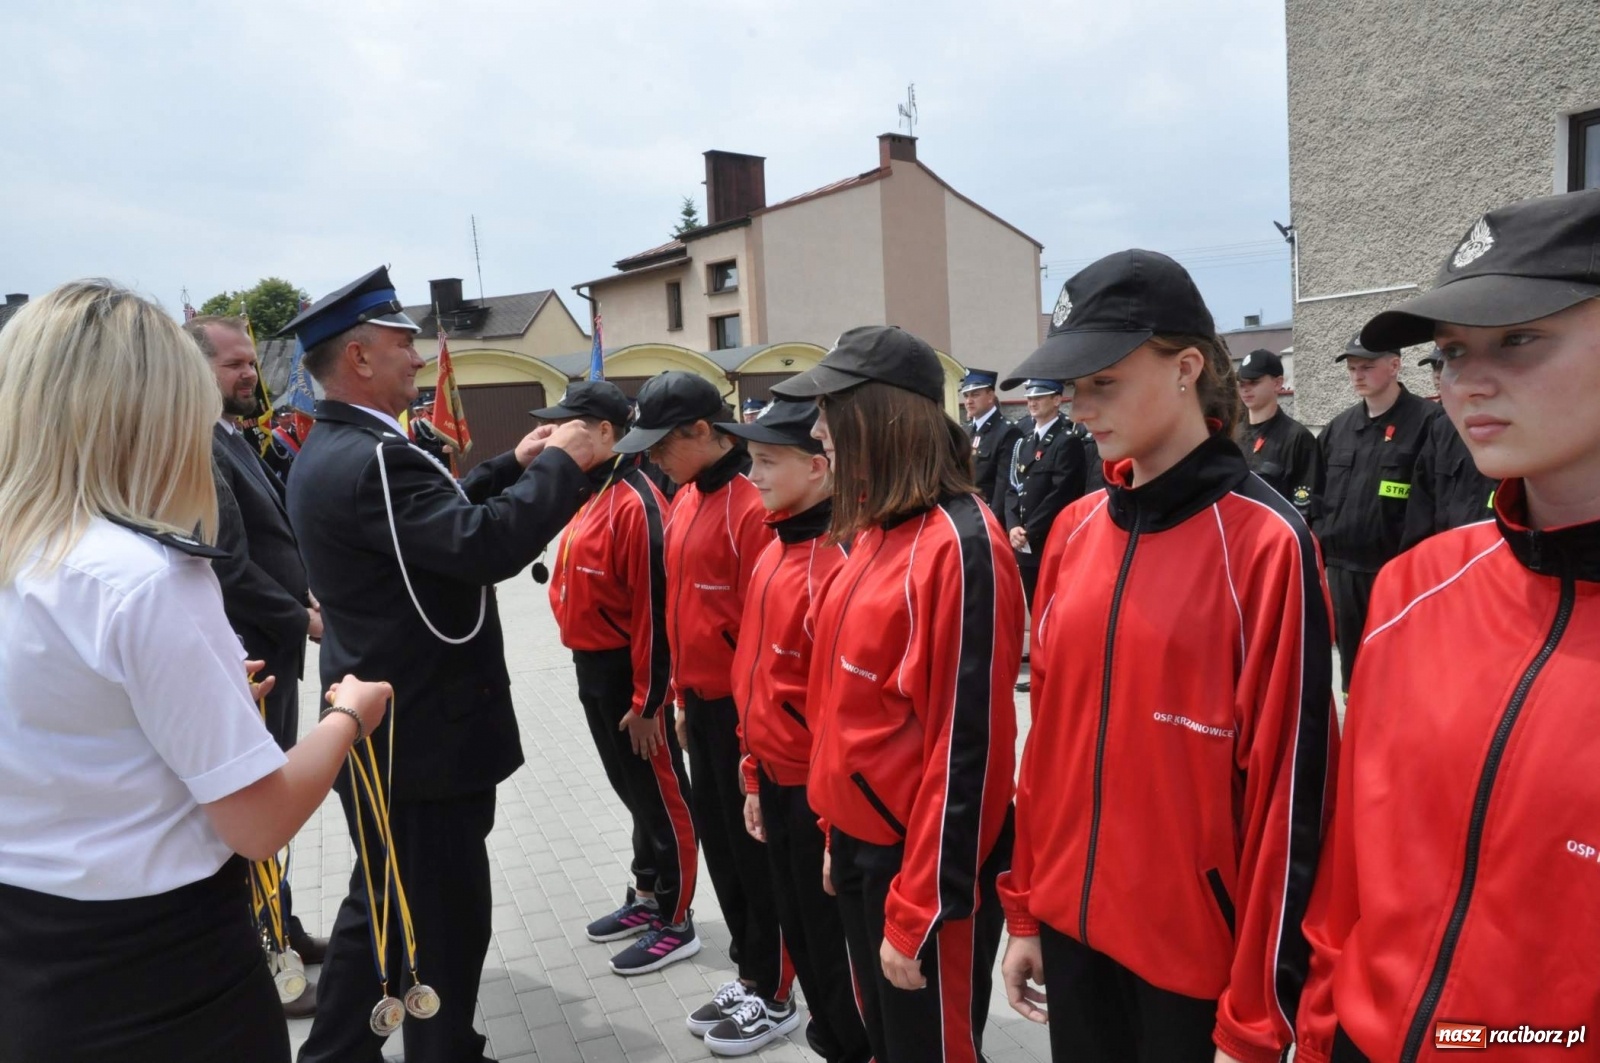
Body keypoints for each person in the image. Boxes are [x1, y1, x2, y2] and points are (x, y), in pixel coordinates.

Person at [0, 280, 390, 1063]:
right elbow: (259, 823)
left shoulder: (26, 552)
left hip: (30, 958)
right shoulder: (145, 577)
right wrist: (348, 715)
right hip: (163, 972)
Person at [996, 253, 1337, 1063]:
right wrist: (1025, 908)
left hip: (1195, 963)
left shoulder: (1267, 543)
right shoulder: (1076, 532)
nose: (1078, 409)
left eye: (1101, 383)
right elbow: (1046, 745)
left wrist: (1261, 1012)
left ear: (1186, 367)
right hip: (1073, 933)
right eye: (1071, 387)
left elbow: (1294, 799)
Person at [1297, 188, 1600, 1063]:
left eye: (1520, 338)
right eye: (1454, 351)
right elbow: (1353, 865)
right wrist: (1321, 1035)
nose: (1469, 380)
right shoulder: (1417, 590)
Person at [282, 267, 602, 1063]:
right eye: (402, 344)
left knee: (394, 908)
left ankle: (428, 1044)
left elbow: (433, 522)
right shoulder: (376, 457)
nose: (418, 358)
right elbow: (480, 546)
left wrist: (513, 466)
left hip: (398, 727)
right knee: (438, 913)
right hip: (424, 734)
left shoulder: (344, 447)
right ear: (357, 357)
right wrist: (564, 464)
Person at [772, 326, 1023, 1063]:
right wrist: (833, 831)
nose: (818, 433)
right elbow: (840, 710)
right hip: (860, 847)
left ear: (878, 416)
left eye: (829, 411)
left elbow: (969, 753)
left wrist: (919, 910)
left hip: (920, 870)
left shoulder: (961, 544)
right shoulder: (873, 535)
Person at [612, 372, 794, 1034]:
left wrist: (752, 734)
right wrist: (680, 699)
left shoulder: (753, 504)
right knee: (722, 848)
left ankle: (774, 991)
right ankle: (749, 969)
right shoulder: (685, 495)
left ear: (701, 430)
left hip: (750, 716)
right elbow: (682, 608)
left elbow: (764, 629)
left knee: (757, 856)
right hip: (703, 707)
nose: (651, 457)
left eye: (661, 442)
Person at [722, 399, 871, 1062]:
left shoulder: (836, 565)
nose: (751, 475)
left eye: (766, 461)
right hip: (775, 784)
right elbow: (753, 679)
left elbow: (844, 715)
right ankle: (832, 1039)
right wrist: (753, 777)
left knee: (836, 947)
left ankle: (858, 1043)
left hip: (820, 796)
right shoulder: (771, 552)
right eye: (750, 460)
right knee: (803, 936)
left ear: (819, 468)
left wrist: (835, 823)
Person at [187, 314, 327, 1013]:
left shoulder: (231, 437)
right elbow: (231, 568)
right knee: (259, 810)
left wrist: (302, 589)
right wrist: (303, 617)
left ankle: (285, 929)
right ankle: (270, 962)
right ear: (197, 372)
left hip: (272, 648)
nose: (251, 374)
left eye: (251, 362)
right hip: (252, 657)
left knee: (272, 809)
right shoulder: (199, 447)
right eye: (234, 365)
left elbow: (270, 542)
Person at [537, 381, 699, 972]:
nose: (556, 434)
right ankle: (648, 892)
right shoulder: (593, 490)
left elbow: (656, 612)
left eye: (570, 425)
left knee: (662, 794)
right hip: (593, 668)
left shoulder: (636, 502)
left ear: (607, 433)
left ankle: (677, 918)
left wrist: (651, 700)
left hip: (631, 674)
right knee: (633, 793)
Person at [1313, 332, 1440, 691]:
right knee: (1353, 674)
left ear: (1395, 365)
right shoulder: (1340, 428)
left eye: (1367, 366)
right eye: (1352, 368)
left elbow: (1436, 497)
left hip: (1396, 572)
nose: (1357, 375)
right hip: (1342, 571)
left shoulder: (1429, 423)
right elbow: (1318, 495)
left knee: (1399, 670)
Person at [1399, 348, 1497, 550]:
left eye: (1444, 366)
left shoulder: (1510, 426)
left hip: (1495, 559)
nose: (1438, 374)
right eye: (1436, 367)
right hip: (1448, 555)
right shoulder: (1442, 429)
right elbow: (1422, 504)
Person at [1000, 378, 1087, 605]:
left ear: (1057, 399)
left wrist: (1030, 530)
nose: (1032, 402)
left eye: (1039, 397)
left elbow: (1062, 494)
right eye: (1029, 398)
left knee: (1054, 606)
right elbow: (1012, 488)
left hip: (1049, 538)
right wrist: (1012, 526)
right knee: (1034, 605)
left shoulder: (1066, 441)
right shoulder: (1025, 442)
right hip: (1025, 542)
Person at [1235, 348, 1321, 520]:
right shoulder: (1232, 435)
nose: (1245, 389)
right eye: (1241, 383)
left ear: (1277, 383)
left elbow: (1304, 505)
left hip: (1275, 536)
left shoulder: (1297, 438)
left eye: (1253, 382)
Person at [959, 367, 1023, 509]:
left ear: (990, 396)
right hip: (965, 509)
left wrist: (993, 520)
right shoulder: (965, 429)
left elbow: (1004, 484)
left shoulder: (1007, 431)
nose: (969, 401)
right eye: (966, 396)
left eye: (975, 395)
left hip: (988, 511)